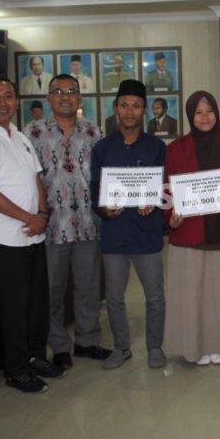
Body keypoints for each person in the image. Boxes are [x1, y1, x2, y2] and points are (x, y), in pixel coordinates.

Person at [0, 77, 64, 393]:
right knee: (15, 306)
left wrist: (42, 215)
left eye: (8, 96)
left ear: (17, 101)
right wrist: (28, 218)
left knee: (36, 303)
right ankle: (16, 370)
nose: (3, 102)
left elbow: (36, 180)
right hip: (4, 238)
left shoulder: (19, 137)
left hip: (32, 235)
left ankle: (35, 357)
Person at [24, 74, 111, 370]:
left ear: (79, 98)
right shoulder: (32, 134)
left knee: (88, 288)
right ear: (49, 98)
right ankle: (59, 345)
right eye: (58, 91)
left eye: (71, 91)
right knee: (52, 291)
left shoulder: (94, 132)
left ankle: (87, 341)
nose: (65, 96)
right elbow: (28, 180)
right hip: (52, 226)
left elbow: (105, 177)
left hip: (88, 223)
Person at [163, 90, 220, 365]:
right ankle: (195, 347)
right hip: (189, 233)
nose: (205, 117)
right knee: (192, 294)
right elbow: (166, 191)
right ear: (191, 116)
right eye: (199, 112)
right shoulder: (176, 149)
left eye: (210, 111)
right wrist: (171, 217)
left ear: (217, 113)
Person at [90, 79, 167, 369]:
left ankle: (155, 346)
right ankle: (121, 347)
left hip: (147, 235)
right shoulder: (102, 149)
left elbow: (162, 188)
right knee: (114, 298)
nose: (130, 111)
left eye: (136, 106)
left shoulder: (157, 147)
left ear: (145, 110)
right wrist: (103, 209)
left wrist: (155, 200)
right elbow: (95, 189)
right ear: (116, 108)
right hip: (114, 235)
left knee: (155, 297)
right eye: (124, 105)